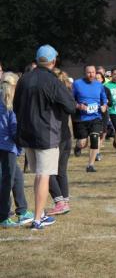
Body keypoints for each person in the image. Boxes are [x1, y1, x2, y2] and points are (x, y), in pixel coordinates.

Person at [13, 44, 76, 230]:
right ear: (53, 61)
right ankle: (38, 219)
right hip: (46, 135)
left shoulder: (24, 79)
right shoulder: (52, 81)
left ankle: (38, 214)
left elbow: (16, 106)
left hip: (27, 134)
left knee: (39, 176)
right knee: (43, 176)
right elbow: (70, 106)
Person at [0, 72, 34, 227]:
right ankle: (3, 216)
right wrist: (24, 141)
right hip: (7, 147)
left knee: (17, 177)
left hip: (5, 146)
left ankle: (22, 210)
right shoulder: (10, 104)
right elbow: (14, 129)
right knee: (7, 181)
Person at [46, 69, 73, 215]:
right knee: (61, 171)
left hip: (55, 137)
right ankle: (65, 202)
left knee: (47, 171)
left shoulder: (54, 95)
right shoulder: (67, 93)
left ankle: (60, 202)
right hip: (66, 136)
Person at [72, 65, 108, 172]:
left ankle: (90, 165)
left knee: (95, 138)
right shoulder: (77, 84)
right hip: (82, 118)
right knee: (83, 143)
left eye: (93, 72)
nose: (91, 74)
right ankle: (78, 146)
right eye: (89, 72)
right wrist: (78, 106)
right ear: (84, 73)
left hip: (96, 117)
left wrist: (104, 106)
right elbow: (70, 99)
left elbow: (104, 98)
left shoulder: (99, 85)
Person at [95, 72, 113, 162]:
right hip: (94, 114)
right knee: (96, 133)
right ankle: (96, 152)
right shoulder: (91, 89)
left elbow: (111, 103)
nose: (97, 80)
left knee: (103, 134)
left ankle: (97, 151)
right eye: (95, 78)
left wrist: (107, 102)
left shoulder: (106, 90)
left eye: (98, 78)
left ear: (102, 79)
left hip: (104, 114)